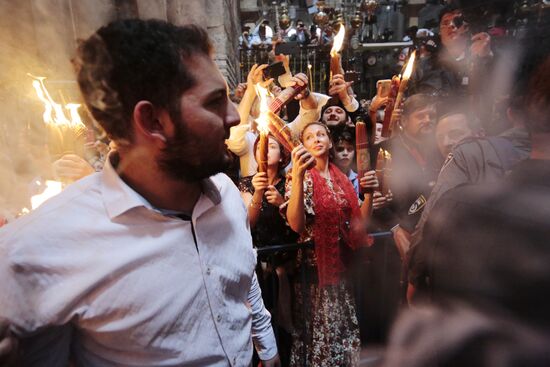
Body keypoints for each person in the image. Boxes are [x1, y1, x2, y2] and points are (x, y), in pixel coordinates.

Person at [0, 19, 280, 366]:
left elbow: (242, 278)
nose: (234, 116)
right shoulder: (38, 248)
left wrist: (268, 350)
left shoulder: (225, 195)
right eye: (214, 103)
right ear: (152, 121)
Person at [282, 122, 376, 366]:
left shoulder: (342, 178)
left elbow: (360, 224)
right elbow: (296, 226)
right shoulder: (298, 176)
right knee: (318, 335)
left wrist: (370, 195)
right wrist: (300, 178)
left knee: (341, 332)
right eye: (310, 136)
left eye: (321, 134)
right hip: (314, 273)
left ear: (330, 142)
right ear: (302, 147)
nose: (317, 139)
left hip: (342, 269)